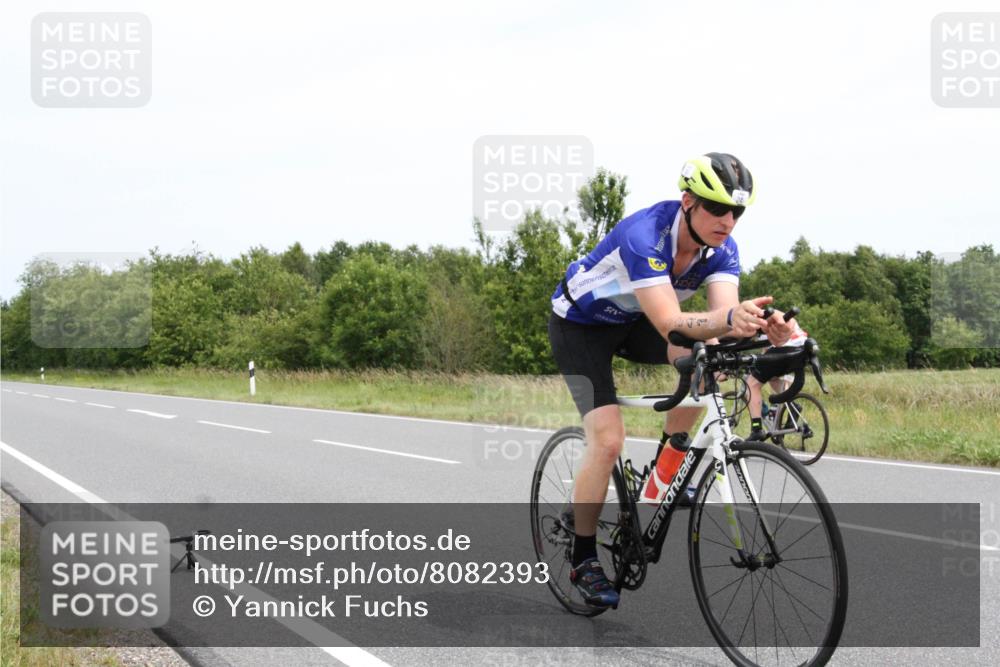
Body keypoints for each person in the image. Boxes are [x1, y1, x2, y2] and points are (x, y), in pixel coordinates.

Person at [547, 152, 796, 608]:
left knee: (706, 357)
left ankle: (663, 475)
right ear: (688, 202)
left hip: (633, 320)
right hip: (581, 326)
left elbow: (723, 318)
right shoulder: (646, 235)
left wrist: (765, 327)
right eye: (717, 209)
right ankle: (582, 557)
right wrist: (730, 320)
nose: (728, 221)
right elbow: (670, 323)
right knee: (608, 440)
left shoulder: (723, 249)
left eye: (736, 212)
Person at [746, 321, 810, 441]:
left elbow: (764, 350)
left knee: (751, 384)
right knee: (772, 377)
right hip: (802, 350)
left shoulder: (757, 320)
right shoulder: (779, 316)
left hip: (785, 350)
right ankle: (792, 405)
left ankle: (756, 429)